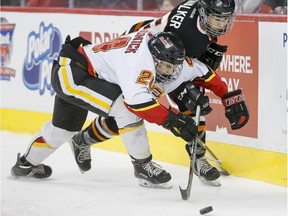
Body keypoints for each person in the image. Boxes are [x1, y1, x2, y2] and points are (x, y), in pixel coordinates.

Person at [10, 30, 249, 189]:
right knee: (126, 109)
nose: (168, 71)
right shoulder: (139, 63)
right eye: (163, 65)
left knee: (62, 131)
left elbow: (204, 72)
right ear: (153, 59)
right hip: (72, 73)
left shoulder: (173, 61)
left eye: (172, 66)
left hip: (79, 67)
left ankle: (25, 165)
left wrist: (227, 95)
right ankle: (143, 166)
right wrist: (175, 120)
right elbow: (138, 104)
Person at [122, 0, 243, 186]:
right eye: (216, 19)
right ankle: (85, 139)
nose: (221, 25)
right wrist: (184, 89)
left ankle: (198, 159)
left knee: (195, 103)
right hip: (139, 58)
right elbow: (177, 67)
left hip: (161, 59)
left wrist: (225, 94)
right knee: (122, 111)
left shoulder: (198, 14)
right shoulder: (188, 34)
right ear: (203, 13)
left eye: (224, 19)